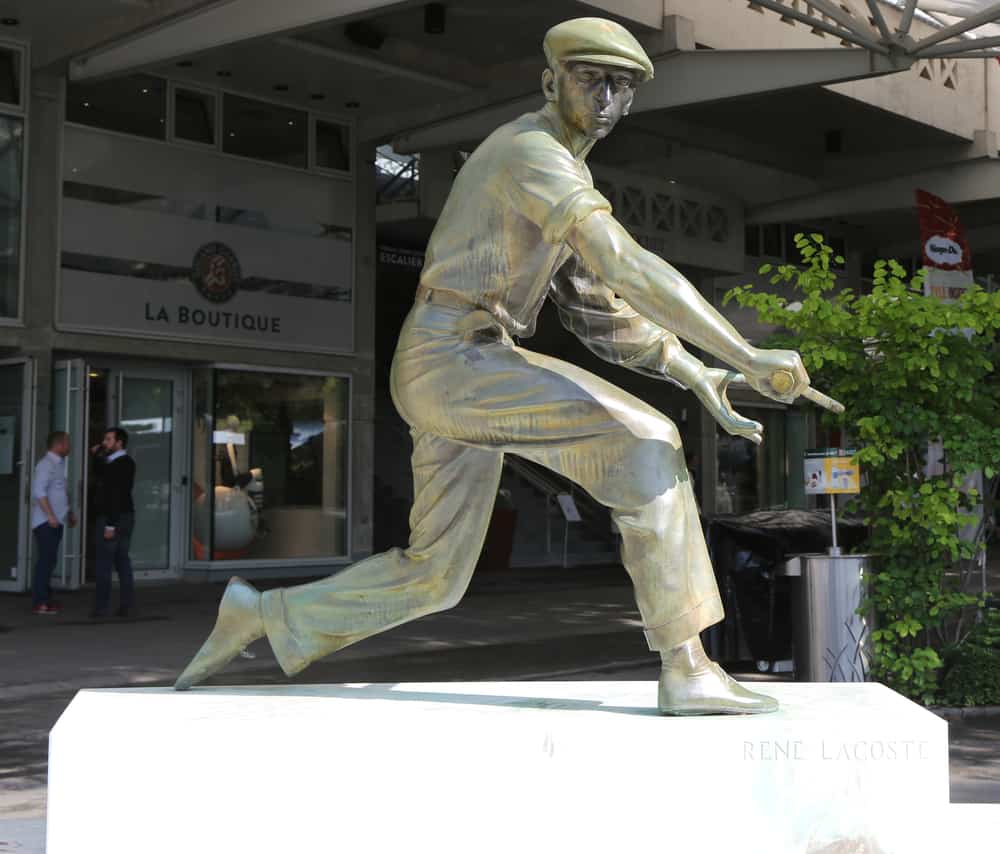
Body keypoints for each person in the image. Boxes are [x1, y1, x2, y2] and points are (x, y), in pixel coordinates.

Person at [176, 18, 834, 714]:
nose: (605, 97)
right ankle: (687, 665)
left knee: (436, 576)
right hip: (454, 356)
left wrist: (695, 372)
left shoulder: (563, 172)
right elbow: (624, 262)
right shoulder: (530, 152)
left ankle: (262, 615)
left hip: (459, 362)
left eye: (621, 85)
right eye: (590, 79)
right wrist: (745, 353)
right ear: (551, 83)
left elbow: (597, 309)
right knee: (648, 444)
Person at [90, 426, 136, 618]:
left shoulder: (119, 463)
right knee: (122, 560)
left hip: (113, 516)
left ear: (119, 442)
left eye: (109, 440)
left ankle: (102, 607)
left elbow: (114, 494)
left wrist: (110, 524)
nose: (104, 443)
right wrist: (97, 456)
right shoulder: (119, 462)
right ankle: (126, 604)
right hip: (124, 515)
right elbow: (100, 471)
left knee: (104, 562)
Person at [30, 431, 77, 615]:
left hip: (55, 521)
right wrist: (50, 516)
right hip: (46, 522)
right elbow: (39, 492)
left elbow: (60, 493)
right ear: (59, 445)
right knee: (45, 561)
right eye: (67, 442)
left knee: (50, 561)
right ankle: (40, 602)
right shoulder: (46, 464)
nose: (69, 446)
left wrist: (69, 513)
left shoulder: (58, 464)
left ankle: (46, 598)